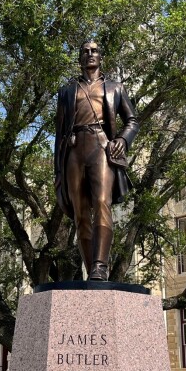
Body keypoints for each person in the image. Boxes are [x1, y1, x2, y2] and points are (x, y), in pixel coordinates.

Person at [54, 41, 139, 281]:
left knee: (102, 202)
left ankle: (100, 265)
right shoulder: (67, 91)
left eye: (94, 51)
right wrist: (57, 172)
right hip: (73, 150)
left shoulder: (115, 88)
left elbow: (132, 121)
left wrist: (123, 139)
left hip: (101, 146)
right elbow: (59, 134)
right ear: (80, 58)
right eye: (85, 51)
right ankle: (91, 268)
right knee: (80, 211)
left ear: (101, 57)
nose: (90, 54)